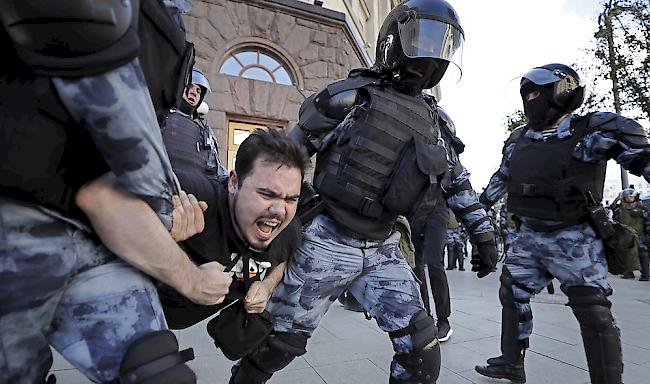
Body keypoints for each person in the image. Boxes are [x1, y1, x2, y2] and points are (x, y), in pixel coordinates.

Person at [229, 2, 497, 383]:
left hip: (384, 247)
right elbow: (284, 161)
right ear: (395, 40)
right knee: (280, 344)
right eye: (423, 39)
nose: (431, 54)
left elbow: (458, 181)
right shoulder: (350, 97)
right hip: (326, 239)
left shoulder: (436, 123)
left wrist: (483, 233)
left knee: (421, 348)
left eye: (442, 46)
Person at [0, 1, 231, 383]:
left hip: (100, 237)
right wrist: (163, 219)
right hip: (21, 223)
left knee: (162, 374)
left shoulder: (166, 24)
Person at [475, 63, 650, 384]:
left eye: (538, 92)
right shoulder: (519, 140)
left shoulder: (592, 130)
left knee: (593, 310)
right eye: (527, 93)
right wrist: (475, 219)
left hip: (576, 236)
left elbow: (640, 155)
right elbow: (500, 181)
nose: (532, 98)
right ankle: (512, 362)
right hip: (529, 236)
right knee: (511, 291)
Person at [156, 128, 308, 330]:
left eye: (290, 199)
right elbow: (111, 197)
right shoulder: (198, 197)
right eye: (266, 194)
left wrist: (267, 286)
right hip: (138, 310)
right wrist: (164, 237)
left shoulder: (290, 230)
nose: (280, 211)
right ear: (234, 182)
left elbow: (284, 256)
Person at [408, 104, 497, 343]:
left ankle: (443, 319)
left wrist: (484, 237)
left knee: (433, 263)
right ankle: (423, 317)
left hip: (436, 207)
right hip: (405, 211)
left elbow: (460, 185)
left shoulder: (438, 130)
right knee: (413, 267)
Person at [162, 67, 228, 177]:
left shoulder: (205, 133)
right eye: (190, 86)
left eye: (199, 91)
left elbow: (216, 171)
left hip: (193, 191)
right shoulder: (161, 117)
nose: (194, 93)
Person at [611, 188, 650, 281]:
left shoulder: (641, 208)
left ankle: (645, 274)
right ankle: (628, 272)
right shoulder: (620, 209)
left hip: (639, 234)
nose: (629, 199)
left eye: (631, 197)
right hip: (625, 235)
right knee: (625, 253)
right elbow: (615, 219)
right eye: (627, 197)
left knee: (642, 253)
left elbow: (647, 221)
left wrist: (648, 233)